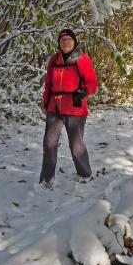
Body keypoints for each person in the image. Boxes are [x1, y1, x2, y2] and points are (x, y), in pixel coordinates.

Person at [39, 28, 98, 187]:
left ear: (74, 42)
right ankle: (47, 179)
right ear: (59, 43)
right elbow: (48, 83)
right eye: (62, 40)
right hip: (55, 107)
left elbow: (92, 83)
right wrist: (46, 102)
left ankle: (85, 174)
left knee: (76, 145)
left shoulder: (83, 59)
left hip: (75, 107)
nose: (65, 42)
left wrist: (84, 91)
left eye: (69, 40)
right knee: (49, 143)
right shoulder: (54, 60)